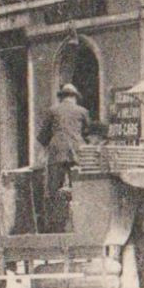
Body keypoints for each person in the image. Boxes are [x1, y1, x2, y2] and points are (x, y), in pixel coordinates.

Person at [37, 83, 90, 230]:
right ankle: (81, 223)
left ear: (62, 97)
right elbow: (87, 132)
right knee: (79, 187)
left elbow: (43, 136)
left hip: (57, 153)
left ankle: (56, 225)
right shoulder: (82, 111)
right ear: (75, 97)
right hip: (76, 152)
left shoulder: (52, 111)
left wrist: (47, 146)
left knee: (54, 189)